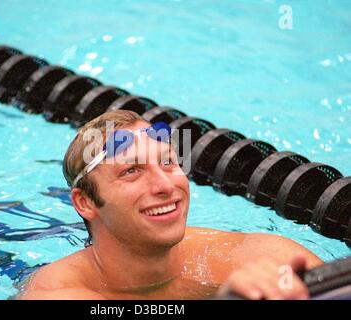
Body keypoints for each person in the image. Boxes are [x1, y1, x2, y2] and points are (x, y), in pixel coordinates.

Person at [18, 110, 323, 300]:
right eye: (131, 171)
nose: (166, 186)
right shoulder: (56, 293)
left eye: (167, 162)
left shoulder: (261, 258)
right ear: (85, 202)